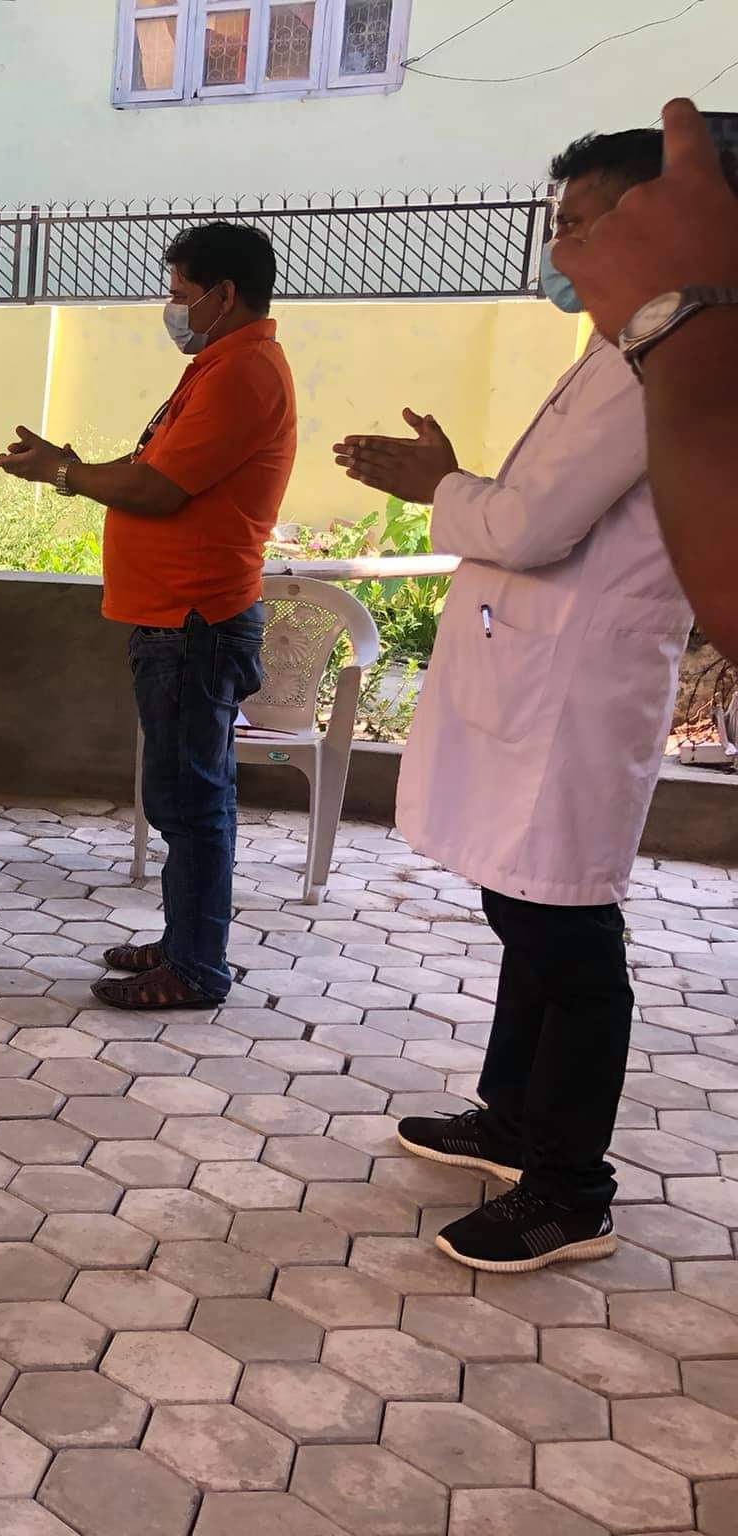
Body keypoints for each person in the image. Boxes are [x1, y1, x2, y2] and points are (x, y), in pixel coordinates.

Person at [333, 130, 693, 1274]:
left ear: (651, 226)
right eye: (557, 223)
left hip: (577, 694)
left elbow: (533, 526)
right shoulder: (618, 351)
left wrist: (436, 485)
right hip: (538, 677)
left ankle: (568, 1189)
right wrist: (459, 480)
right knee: (520, 907)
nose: (558, 247)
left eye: (579, 223)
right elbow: (537, 504)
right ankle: (511, 1120)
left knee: (562, 929)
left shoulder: (657, 362)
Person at [0, 222, 296, 1013]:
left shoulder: (242, 374)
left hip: (196, 619)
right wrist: (69, 465)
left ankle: (197, 968)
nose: (172, 309)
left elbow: (158, 491)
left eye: (179, 294)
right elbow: (150, 468)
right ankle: (185, 938)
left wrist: (63, 472)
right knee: (187, 795)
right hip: (179, 616)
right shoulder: (219, 366)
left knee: (190, 799)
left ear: (224, 294)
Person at [554, 99, 738, 657]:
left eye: (574, 225)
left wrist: (667, 320)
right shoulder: (644, 343)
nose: (560, 253)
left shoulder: (668, 348)